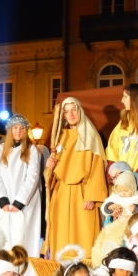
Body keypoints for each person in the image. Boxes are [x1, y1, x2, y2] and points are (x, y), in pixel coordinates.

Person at [45, 97, 108, 260]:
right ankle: (61, 270)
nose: (71, 114)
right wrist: (50, 166)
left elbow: (97, 167)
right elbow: (55, 170)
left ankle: (83, 271)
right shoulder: (60, 137)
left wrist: (91, 196)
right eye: (67, 112)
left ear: (80, 111)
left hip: (82, 193)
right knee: (61, 234)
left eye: (74, 110)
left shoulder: (91, 135)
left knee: (83, 235)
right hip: (61, 193)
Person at [0, 115, 43, 266]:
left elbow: (32, 176)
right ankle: (4, 269)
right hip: (5, 202)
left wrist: (19, 201)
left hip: (25, 202)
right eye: (15, 128)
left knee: (23, 236)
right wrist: (2, 200)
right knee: (4, 236)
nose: (18, 131)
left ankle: (25, 272)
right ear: (10, 130)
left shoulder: (31, 149)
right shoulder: (1, 150)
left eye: (22, 128)